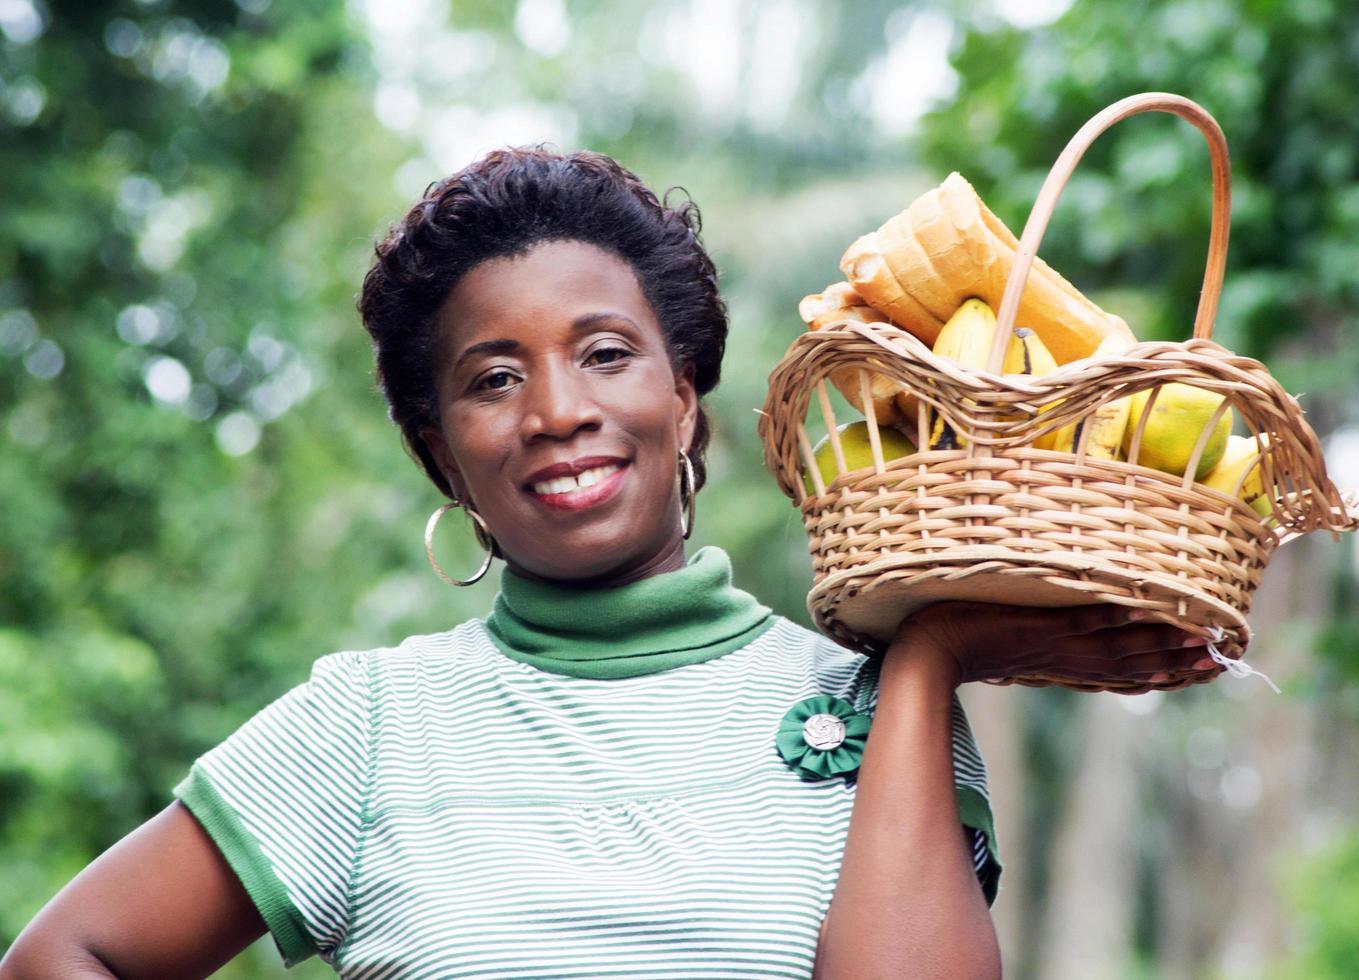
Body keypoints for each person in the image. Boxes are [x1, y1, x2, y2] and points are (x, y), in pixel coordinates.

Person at [0, 148, 1211, 979]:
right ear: (443, 457)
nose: (555, 409)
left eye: (606, 353)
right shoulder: (362, 725)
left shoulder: (868, 708)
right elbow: (62, 952)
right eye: (492, 377)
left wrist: (927, 659)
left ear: (686, 406)